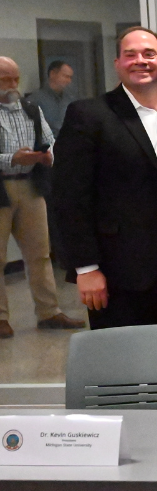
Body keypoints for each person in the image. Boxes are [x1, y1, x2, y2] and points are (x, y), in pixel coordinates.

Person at [52, 27, 157, 329]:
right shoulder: (89, 115)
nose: (140, 61)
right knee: (123, 368)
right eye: (129, 55)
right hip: (118, 267)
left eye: (148, 54)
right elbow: (70, 198)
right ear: (117, 64)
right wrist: (86, 268)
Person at [0, 57, 79, 338]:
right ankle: (1, 319)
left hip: (31, 186)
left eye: (15, 79)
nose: (12, 86)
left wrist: (47, 156)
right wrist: (13, 158)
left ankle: (49, 313)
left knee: (40, 254)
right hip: (1, 188)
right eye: (5, 80)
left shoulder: (30, 109)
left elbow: (49, 140)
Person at [29, 61, 74, 138]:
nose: (69, 81)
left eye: (70, 77)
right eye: (66, 76)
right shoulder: (35, 100)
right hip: (46, 146)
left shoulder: (70, 99)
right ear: (52, 74)